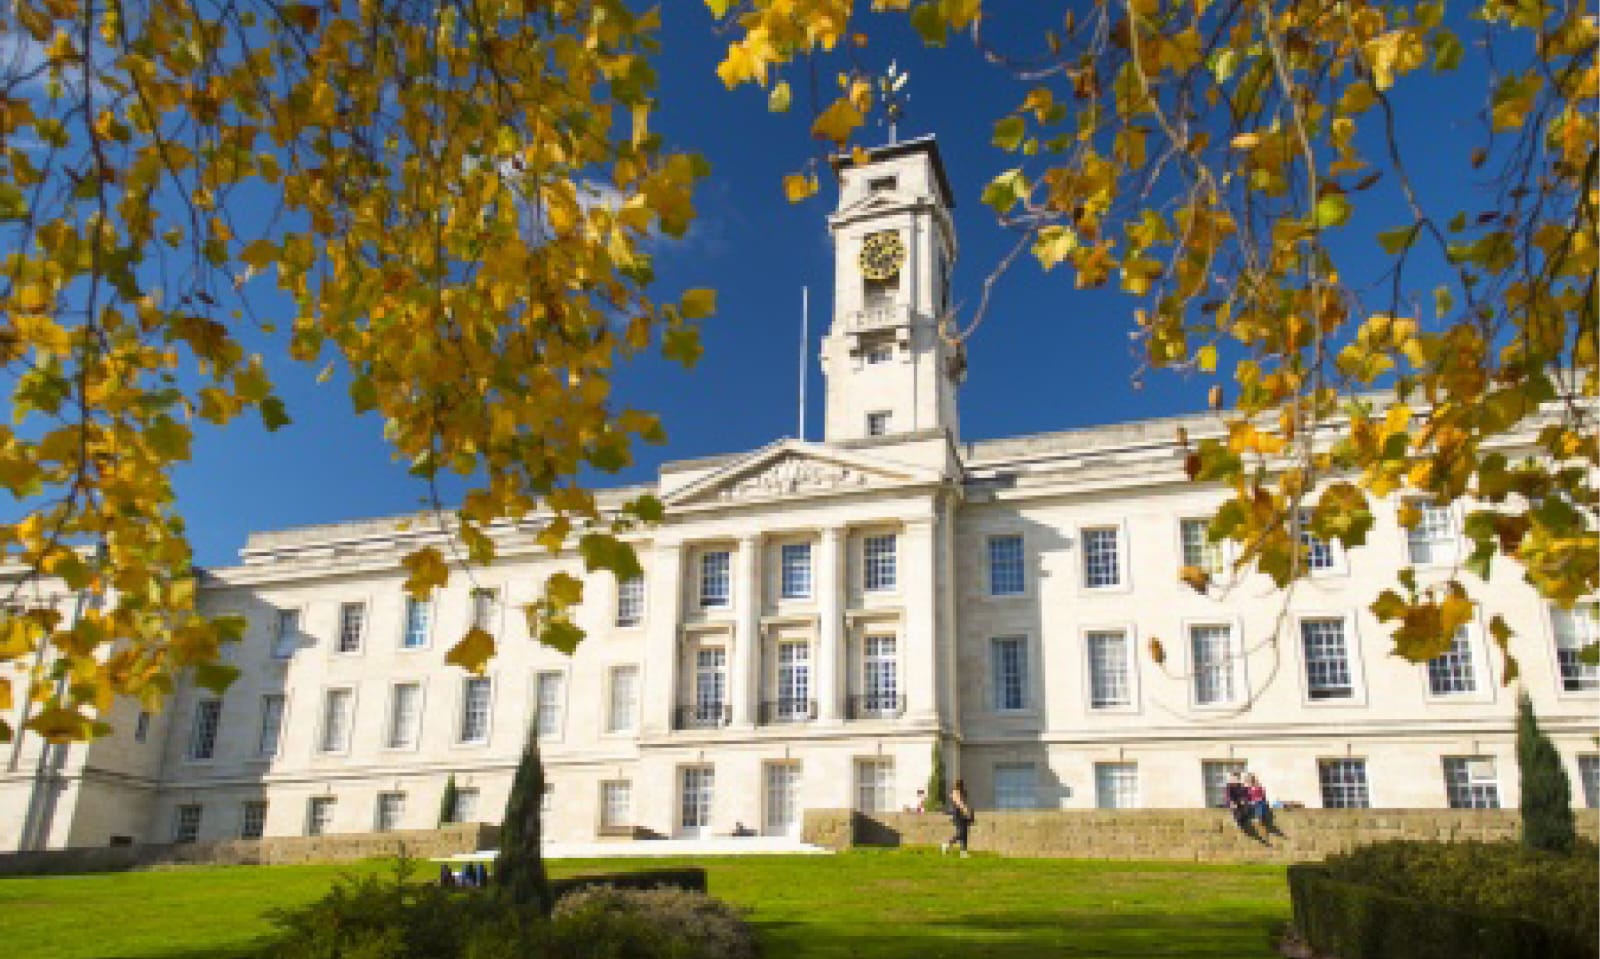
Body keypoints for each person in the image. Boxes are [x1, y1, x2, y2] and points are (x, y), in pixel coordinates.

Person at [940, 779, 973, 858]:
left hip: (962, 814)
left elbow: (963, 802)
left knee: (964, 834)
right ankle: (947, 845)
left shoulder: (961, 793)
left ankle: (963, 852)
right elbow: (960, 803)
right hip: (959, 815)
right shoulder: (955, 793)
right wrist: (966, 811)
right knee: (961, 833)